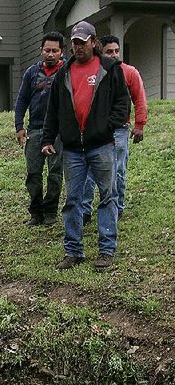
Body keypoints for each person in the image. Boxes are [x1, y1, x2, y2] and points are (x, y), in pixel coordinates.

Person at [41, 21, 130, 272]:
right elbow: (53, 111)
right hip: (72, 149)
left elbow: (122, 103)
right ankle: (73, 251)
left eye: (82, 42)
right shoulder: (64, 73)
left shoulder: (110, 69)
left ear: (93, 42)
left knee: (107, 197)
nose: (78, 47)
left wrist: (106, 127)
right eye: (74, 43)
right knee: (73, 201)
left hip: (101, 146)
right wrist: (48, 139)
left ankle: (106, 250)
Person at [81, 34, 147, 223]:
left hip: (119, 129)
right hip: (94, 131)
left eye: (117, 51)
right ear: (100, 52)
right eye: (109, 51)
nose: (114, 55)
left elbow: (139, 98)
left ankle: (117, 208)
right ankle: (85, 210)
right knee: (89, 172)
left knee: (117, 171)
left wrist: (139, 124)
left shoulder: (129, 72)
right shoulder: (94, 72)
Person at [14, 32, 65, 226]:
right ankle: (36, 213)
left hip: (58, 132)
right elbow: (21, 100)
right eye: (47, 50)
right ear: (40, 51)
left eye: (54, 51)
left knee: (55, 172)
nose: (50, 54)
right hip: (35, 129)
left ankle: (51, 212)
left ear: (61, 52)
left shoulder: (67, 71)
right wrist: (19, 126)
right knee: (33, 173)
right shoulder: (31, 73)